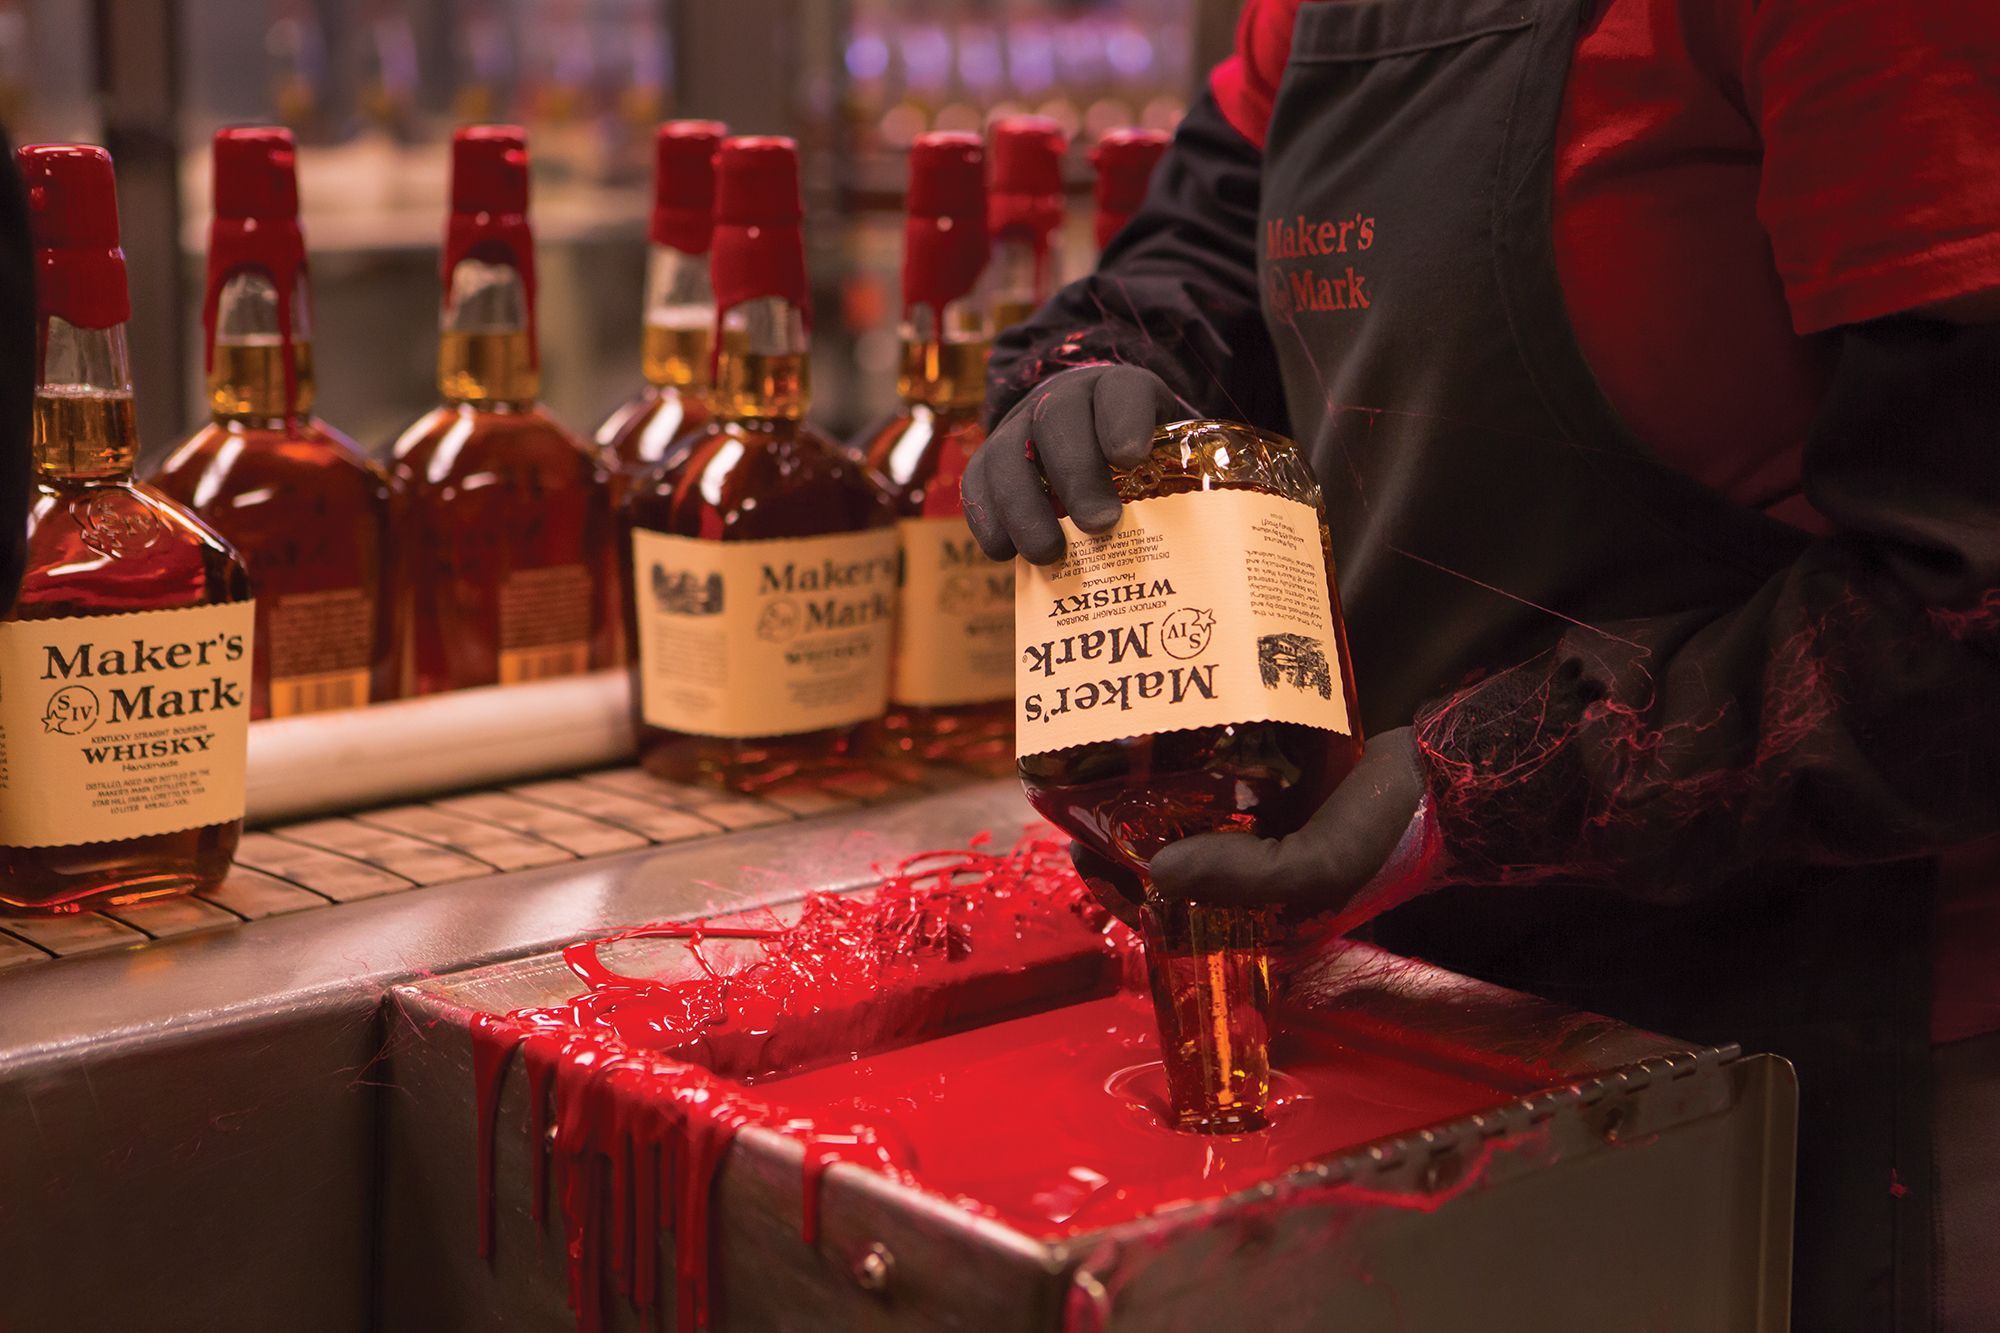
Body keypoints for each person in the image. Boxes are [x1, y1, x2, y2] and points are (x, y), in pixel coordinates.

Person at [963, 1, 2000, 1328]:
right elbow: (1202, 249)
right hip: (1424, 996)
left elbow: (1967, 614)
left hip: (1813, 1033)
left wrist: (1475, 784)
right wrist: (1093, 371)